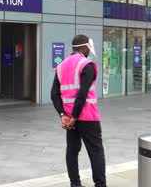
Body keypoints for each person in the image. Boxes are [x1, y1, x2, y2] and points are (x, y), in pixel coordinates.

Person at [51, 34, 106, 187]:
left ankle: (75, 184)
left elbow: (54, 94)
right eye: (88, 48)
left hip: (69, 118)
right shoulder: (86, 64)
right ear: (83, 48)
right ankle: (100, 185)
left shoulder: (61, 66)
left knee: (72, 150)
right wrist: (75, 116)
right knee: (96, 151)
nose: (89, 51)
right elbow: (82, 94)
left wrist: (63, 115)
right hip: (87, 117)